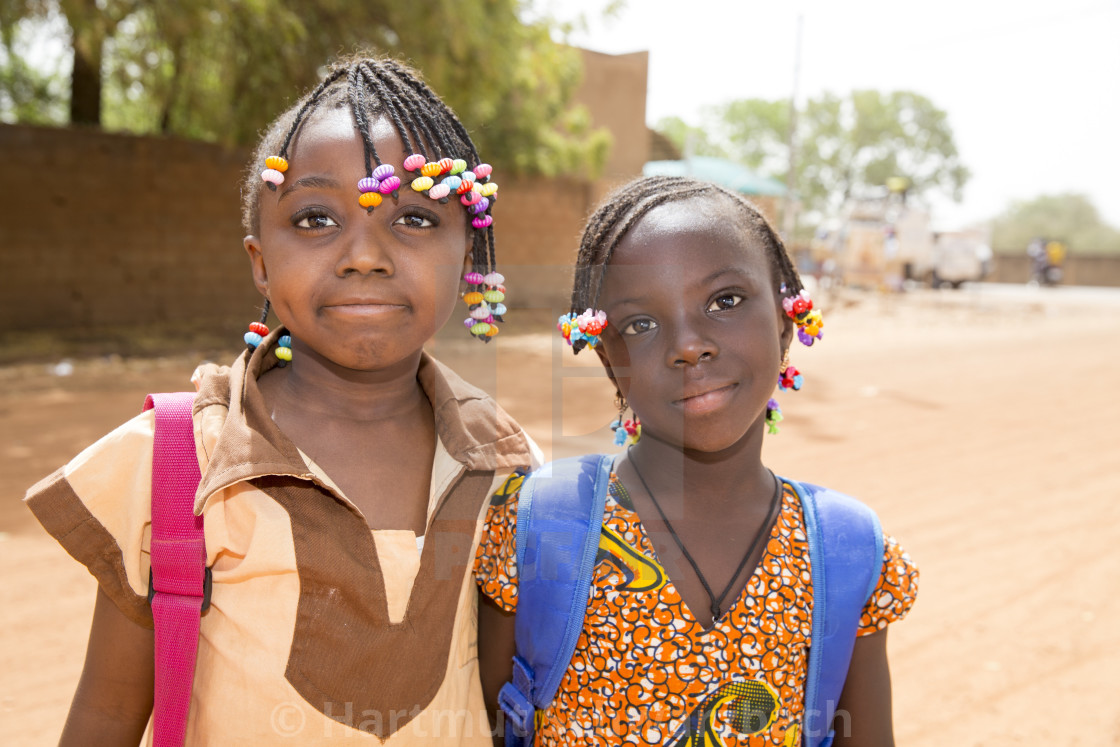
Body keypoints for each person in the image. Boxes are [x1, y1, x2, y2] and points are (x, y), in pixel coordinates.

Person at [25, 55, 539, 745]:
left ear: (468, 255)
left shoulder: (507, 466)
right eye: (315, 218)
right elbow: (106, 715)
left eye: (415, 219)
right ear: (260, 261)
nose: (365, 255)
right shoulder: (179, 462)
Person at [474, 176, 918, 746]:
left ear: (786, 318)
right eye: (641, 324)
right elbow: (482, 725)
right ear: (611, 360)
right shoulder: (540, 526)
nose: (688, 344)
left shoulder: (844, 552)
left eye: (724, 301)